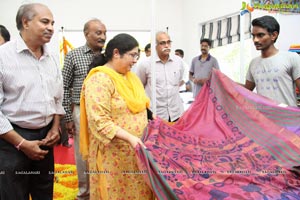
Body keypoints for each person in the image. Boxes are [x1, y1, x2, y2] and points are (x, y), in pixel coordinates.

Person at [0, 3, 64, 199]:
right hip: (12, 139)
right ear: (25, 22)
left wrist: (55, 128)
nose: (51, 27)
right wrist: (21, 143)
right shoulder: (3, 56)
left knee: (44, 192)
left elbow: (57, 98)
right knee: (12, 194)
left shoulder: (52, 56)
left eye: (53, 23)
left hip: (46, 138)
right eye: (45, 22)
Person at [80, 33, 154, 199]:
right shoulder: (99, 79)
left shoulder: (131, 78)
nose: (136, 60)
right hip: (113, 155)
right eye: (133, 55)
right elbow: (99, 121)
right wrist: (130, 138)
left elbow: (142, 107)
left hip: (135, 153)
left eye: (138, 55)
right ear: (116, 53)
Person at [62, 18, 107, 200]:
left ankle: (103, 190)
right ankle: (85, 193)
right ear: (86, 34)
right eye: (98, 33)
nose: (103, 37)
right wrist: (67, 117)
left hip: (105, 112)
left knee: (105, 150)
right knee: (83, 153)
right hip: (82, 111)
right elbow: (64, 86)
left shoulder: (110, 55)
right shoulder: (73, 55)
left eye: (104, 33)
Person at [244, 15, 300, 107]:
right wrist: (222, 78)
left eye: (260, 35)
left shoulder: (291, 58)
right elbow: (246, 91)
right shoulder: (254, 63)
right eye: (253, 36)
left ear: (274, 35)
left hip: (288, 119)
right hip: (264, 119)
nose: (255, 40)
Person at [136, 31, 185, 122]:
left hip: (176, 113)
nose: (166, 45)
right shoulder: (145, 64)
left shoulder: (178, 62)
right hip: (156, 114)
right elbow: (139, 87)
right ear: (155, 46)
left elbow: (178, 81)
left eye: (168, 42)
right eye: (162, 43)